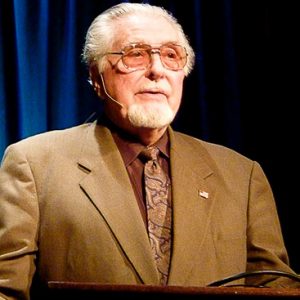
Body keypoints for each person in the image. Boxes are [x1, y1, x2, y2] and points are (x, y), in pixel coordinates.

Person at [0, 2, 299, 299]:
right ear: (97, 78)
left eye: (171, 56)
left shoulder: (241, 176)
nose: (157, 70)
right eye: (135, 55)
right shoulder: (34, 165)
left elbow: (275, 290)